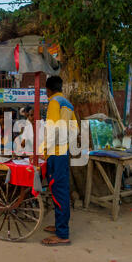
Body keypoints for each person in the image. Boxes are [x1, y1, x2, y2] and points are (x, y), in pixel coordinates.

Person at [39, 76, 77, 246]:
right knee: (62, 190)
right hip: (64, 151)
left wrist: (43, 151)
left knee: (58, 191)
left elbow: (53, 130)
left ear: (48, 89)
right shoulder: (67, 103)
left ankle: (62, 234)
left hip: (56, 153)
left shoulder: (54, 102)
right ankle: (60, 226)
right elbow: (74, 129)